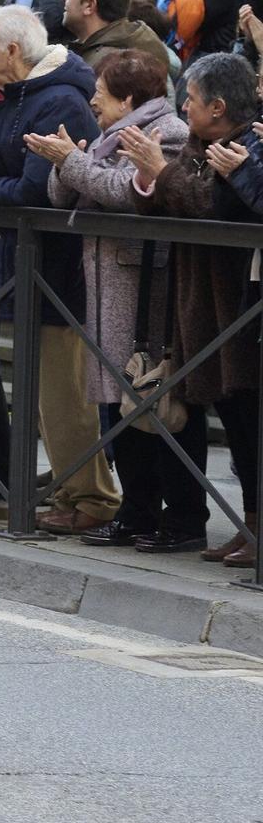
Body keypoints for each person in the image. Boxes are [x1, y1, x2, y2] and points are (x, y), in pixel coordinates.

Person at [0, 6, 116, 531]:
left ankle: (92, 499)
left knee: (63, 393)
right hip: (22, 262)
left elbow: (35, 191)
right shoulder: (7, 96)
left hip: (61, 268)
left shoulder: (60, 100)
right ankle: (72, 494)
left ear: (13, 51)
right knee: (44, 394)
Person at [30, 49, 197, 551]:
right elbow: (65, 195)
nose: (93, 102)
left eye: (100, 94)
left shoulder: (168, 133)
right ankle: (136, 512)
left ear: (127, 99)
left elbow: (124, 191)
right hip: (110, 284)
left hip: (145, 287)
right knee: (122, 401)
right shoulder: (112, 135)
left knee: (154, 397)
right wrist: (65, 162)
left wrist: (72, 161)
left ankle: (181, 516)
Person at [129, 52, 263, 566]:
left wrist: (161, 172)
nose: (184, 107)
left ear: (219, 107)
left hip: (237, 300)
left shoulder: (248, 144)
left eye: (192, 99)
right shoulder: (198, 142)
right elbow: (171, 197)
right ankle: (249, 526)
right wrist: (150, 176)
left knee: (249, 417)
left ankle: (255, 529)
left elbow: (209, 203)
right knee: (234, 416)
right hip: (198, 299)